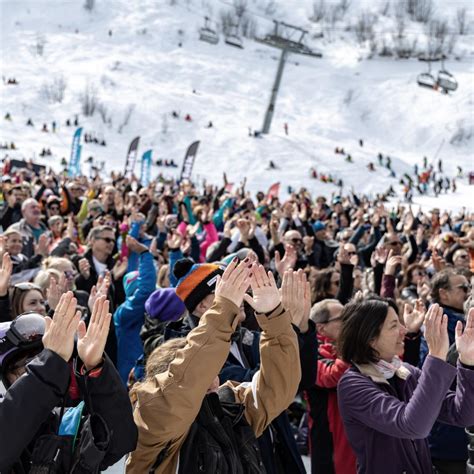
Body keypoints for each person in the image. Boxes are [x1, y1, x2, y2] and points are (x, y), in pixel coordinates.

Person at [126, 259, 301, 473]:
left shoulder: (229, 405)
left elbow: (278, 387)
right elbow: (185, 384)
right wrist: (224, 308)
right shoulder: (152, 417)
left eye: (214, 371)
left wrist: (273, 316)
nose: (214, 378)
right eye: (207, 371)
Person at [0, 293, 138, 472]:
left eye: (40, 358)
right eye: (28, 365)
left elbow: (119, 442)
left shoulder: (63, 421)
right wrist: (47, 366)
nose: (37, 365)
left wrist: (95, 368)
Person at [337, 299, 474, 474]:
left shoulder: (404, 371)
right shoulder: (353, 385)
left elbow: (463, 414)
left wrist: (468, 362)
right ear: (370, 338)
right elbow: (412, 426)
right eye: (394, 326)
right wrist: (436, 357)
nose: (403, 330)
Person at [419, 268, 471, 473]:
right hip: (449, 437)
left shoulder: (459, 321)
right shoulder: (437, 325)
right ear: (443, 293)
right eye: (463, 288)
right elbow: (432, 375)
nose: (468, 292)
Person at [307, 298, 356, 474]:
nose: (350, 322)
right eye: (344, 318)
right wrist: (349, 345)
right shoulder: (311, 351)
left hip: (353, 436)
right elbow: (332, 376)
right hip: (329, 441)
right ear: (321, 328)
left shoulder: (346, 347)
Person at [113, 235, 156, 384]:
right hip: (131, 382)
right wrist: (144, 254)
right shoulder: (124, 313)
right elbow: (145, 291)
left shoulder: (152, 312)